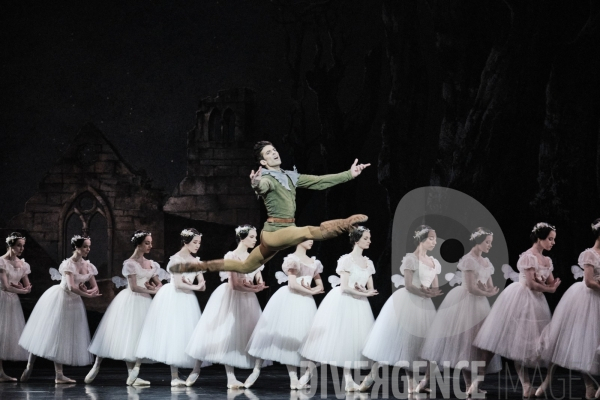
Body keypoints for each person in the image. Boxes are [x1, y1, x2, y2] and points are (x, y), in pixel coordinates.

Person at [169, 141, 370, 274]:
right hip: (274, 233)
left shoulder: (292, 176)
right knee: (307, 232)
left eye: (274, 149)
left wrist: (349, 174)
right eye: (268, 153)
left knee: (246, 267)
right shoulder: (265, 177)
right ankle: (345, 224)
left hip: (286, 232)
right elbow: (261, 186)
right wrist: (255, 183)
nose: (274, 153)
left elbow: (319, 181)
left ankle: (199, 266)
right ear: (263, 162)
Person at [474, 222, 560, 397]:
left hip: (537, 303)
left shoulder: (547, 260)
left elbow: (550, 282)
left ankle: (527, 386)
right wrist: (546, 287)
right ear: (539, 238)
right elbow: (530, 283)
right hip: (519, 299)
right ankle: (476, 384)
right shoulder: (528, 257)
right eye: (550, 239)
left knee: (531, 344)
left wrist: (549, 286)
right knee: (508, 344)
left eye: (553, 239)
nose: (553, 242)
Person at [360, 225, 442, 394]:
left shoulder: (434, 262)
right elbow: (409, 285)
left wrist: (431, 292)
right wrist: (422, 291)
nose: (434, 242)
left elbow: (436, 286)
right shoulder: (411, 259)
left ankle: (416, 384)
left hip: (424, 305)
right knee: (394, 339)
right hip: (407, 302)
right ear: (421, 239)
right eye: (431, 238)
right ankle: (373, 374)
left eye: (435, 238)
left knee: (418, 344)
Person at [420, 227, 501, 396]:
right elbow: (471, 287)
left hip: (481, 304)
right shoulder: (468, 260)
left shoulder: (486, 262)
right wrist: (486, 291)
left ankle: (475, 381)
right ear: (478, 241)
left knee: (485, 345)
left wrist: (489, 290)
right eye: (487, 242)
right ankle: (469, 384)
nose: (489, 245)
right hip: (464, 302)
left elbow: (489, 286)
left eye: (490, 243)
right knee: (465, 343)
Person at [186, 225, 268, 389]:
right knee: (220, 332)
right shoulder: (231, 256)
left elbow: (259, 279)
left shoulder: (254, 257)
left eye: (255, 237)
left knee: (247, 334)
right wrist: (251, 287)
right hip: (229, 297)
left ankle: (234, 377)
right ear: (242, 238)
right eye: (252, 237)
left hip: (248, 299)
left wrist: (257, 285)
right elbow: (234, 284)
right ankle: (197, 369)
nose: (254, 240)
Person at [299, 226, 377, 392]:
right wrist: (362, 291)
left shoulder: (368, 262)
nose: (369, 241)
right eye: (366, 238)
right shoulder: (346, 260)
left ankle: (348, 380)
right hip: (343, 301)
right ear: (356, 240)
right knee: (330, 339)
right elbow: (345, 287)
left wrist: (366, 291)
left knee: (350, 342)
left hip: (359, 304)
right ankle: (307, 374)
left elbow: (370, 286)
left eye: (369, 238)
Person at [86, 230, 166, 385]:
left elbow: (159, 284)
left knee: (137, 337)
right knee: (118, 333)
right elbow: (134, 287)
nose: (150, 246)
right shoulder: (130, 264)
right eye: (147, 243)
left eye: (151, 243)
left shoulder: (151, 264)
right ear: (138, 244)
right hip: (130, 300)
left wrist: (155, 287)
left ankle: (132, 374)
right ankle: (97, 365)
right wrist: (152, 290)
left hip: (145, 302)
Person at [129, 228, 207, 387]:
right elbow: (178, 284)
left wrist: (196, 286)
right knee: (172, 334)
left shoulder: (196, 261)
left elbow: (202, 284)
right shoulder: (175, 260)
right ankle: (170, 375)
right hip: (174, 297)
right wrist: (195, 287)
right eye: (195, 242)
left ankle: (195, 370)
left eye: (199, 242)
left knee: (190, 334)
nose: (197, 245)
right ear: (186, 242)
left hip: (188, 299)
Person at [19, 235, 102, 383]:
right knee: (44, 332)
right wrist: (86, 294)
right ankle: (29, 365)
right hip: (60, 298)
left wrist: (90, 291)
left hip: (74, 303)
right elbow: (71, 286)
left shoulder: (88, 265)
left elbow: (94, 285)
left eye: (89, 247)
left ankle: (59, 375)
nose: (88, 249)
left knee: (62, 337)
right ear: (77, 247)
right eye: (85, 246)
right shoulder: (68, 264)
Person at [246, 239, 325, 389]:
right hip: (291, 299)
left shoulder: (314, 262)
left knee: (308, 339)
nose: (311, 241)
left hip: (306, 302)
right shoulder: (292, 260)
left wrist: (312, 290)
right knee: (288, 336)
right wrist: (311, 291)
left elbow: (320, 284)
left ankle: (306, 375)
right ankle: (283, 376)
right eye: (308, 239)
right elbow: (293, 284)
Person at [538, 219, 600, 399]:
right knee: (583, 341)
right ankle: (588, 384)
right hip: (587, 299)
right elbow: (588, 281)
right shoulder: (590, 254)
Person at [0, 233, 32, 382]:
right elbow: (5, 286)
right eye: (19, 245)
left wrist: (23, 289)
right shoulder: (1, 262)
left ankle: (1, 373)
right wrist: (21, 290)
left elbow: (28, 286)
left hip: (13, 301)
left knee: (8, 334)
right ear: (10, 245)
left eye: (23, 246)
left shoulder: (23, 264)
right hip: (2, 298)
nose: (21, 249)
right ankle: (0, 372)